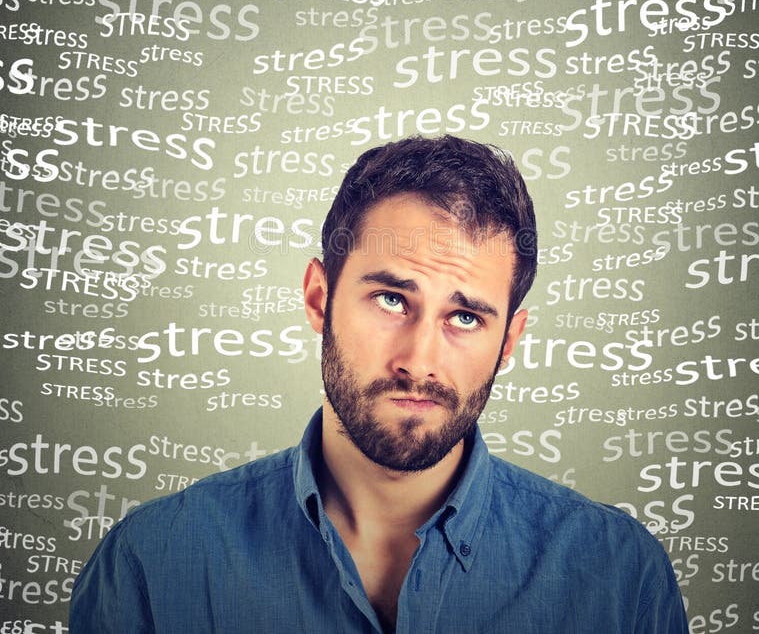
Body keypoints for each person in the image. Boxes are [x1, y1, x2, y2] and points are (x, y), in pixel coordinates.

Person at [70, 135, 689, 633]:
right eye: (392, 299)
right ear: (320, 297)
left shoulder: (619, 576)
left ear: (508, 341)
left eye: (465, 316)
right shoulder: (151, 566)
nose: (419, 360)